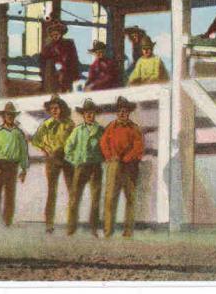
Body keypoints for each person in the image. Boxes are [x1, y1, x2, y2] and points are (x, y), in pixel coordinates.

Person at [100, 96, 144, 238]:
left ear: (128, 113)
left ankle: (128, 231)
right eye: (120, 111)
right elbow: (103, 143)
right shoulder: (110, 127)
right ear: (116, 112)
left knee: (130, 198)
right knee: (110, 198)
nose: (122, 113)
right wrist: (110, 156)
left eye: (125, 111)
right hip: (114, 166)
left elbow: (139, 147)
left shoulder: (134, 128)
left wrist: (127, 158)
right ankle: (107, 231)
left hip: (130, 167)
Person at [31, 94, 75, 233]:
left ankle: (72, 223)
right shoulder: (46, 125)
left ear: (62, 108)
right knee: (52, 191)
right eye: (52, 109)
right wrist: (46, 151)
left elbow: (72, 141)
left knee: (72, 190)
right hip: (52, 159)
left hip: (67, 158)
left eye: (57, 108)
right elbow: (36, 140)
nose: (55, 111)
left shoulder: (69, 123)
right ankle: (49, 224)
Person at [65, 99, 105, 236]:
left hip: (96, 167)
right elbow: (68, 147)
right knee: (75, 198)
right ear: (83, 114)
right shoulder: (77, 130)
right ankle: (71, 228)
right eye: (87, 113)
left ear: (95, 114)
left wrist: (103, 158)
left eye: (92, 113)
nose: (89, 115)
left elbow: (106, 147)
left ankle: (93, 229)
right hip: (81, 167)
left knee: (95, 199)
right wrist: (75, 160)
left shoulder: (100, 130)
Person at [0, 102, 29, 227]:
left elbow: (23, 151)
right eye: (7, 114)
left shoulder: (18, 133)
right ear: (3, 116)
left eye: (11, 115)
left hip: (12, 166)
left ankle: (7, 222)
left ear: (14, 116)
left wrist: (24, 168)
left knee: (10, 194)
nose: (9, 116)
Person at [39, 19, 80, 93]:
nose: (55, 36)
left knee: (66, 92)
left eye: (57, 34)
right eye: (53, 34)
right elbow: (43, 60)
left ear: (61, 34)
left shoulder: (69, 44)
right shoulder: (48, 46)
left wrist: (75, 74)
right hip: (53, 74)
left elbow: (74, 59)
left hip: (66, 73)